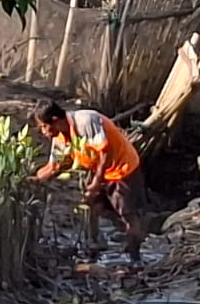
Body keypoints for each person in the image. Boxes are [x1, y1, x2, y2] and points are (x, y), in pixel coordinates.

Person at [30, 100, 145, 263]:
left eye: (43, 126)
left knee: (127, 215)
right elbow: (55, 166)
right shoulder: (60, 138)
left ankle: (136, 258)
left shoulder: (86, 121)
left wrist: (95, 184)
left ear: (55, 120)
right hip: (99, 171)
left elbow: (104, 154)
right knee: (91, 208)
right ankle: (95, 247)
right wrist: (34, 179)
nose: (43, 132)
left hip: (122, 169)